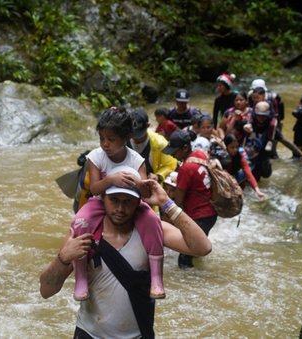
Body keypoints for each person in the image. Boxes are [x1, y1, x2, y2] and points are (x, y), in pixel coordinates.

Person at [40, 177, 212, 339]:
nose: (120, 209)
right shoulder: (83, 234)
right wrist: (63, 258)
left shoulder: (153, 231)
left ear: (139, 202)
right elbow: (46, 291)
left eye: (128, 201)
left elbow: (202, 247)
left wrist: (165, 203)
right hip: (89, 334)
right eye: (114, 199)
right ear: (103, 198)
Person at [71, 107, 165, 301]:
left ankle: (156, 278)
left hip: (132, 202)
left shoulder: (136, 159)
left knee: (153, 221)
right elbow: (95, 189)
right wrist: (111, 179)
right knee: (80, 221)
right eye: (102, 138)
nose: (105, 144)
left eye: (111, 139)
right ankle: (80, 278)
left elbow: (146, 194)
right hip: (101, 201)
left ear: (127, 137)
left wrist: (138, 183)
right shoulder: (96, 157)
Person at [162, 130, 218, 269]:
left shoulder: (186, 168)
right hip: (210, 214)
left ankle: (195, 283)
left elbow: (179, 200)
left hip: (199, 216)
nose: (173, 155)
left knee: (184, 257)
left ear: (185, 148)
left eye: (175, 151)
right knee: (198, 248)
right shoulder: (200, 154)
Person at [250, 101, 302, 181]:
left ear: (269, 114)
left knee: (263, 175)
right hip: (249, 157)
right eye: (259, 115)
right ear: (255, 114)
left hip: (262, 158)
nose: (261, 118)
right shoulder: (247, 125)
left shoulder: (272, 129)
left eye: (264, 116)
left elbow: (286, 142)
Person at [129, 109, 178, 185]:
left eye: (139, 134)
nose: (136, 138)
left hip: (151, 184)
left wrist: (158, 176)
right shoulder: (122, 141)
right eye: (133, 134)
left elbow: (171, 164)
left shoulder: (160, 143)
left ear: (148, 125)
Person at [223, 134, 267, 201]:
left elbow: (248, 174)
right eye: (232, 147)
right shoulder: (220, 156)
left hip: (236, 180)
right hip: (224, 179)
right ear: (226, 147)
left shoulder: (240, 157)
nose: (235, 150)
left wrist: (257, 191)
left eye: (237, 147)